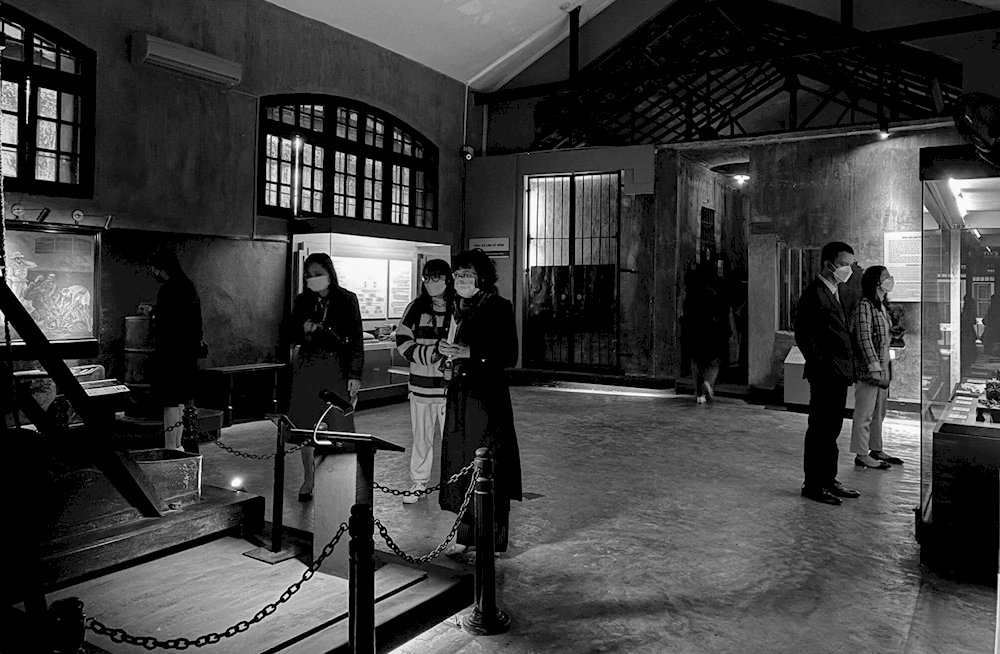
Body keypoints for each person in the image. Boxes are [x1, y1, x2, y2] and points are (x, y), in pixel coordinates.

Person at [438, 249, 522, 555]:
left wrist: (469, 353)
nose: (459, 280)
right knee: (461, 460)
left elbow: (509, 355)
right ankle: (466, 537)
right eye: (457, 274)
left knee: (488, 461)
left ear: (482, 277)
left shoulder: (499, 307)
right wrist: (444, 352)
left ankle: (493, 541)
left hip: (487, 397)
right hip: (460, 393)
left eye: (466, 275)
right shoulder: (456, 307)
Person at [288, 253, 363, 501]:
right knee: (306, 425)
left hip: (337, 368)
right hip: (308, 367)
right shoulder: (302, 301)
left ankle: (341, 477)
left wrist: (355, 374)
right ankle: (309, 478)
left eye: (318, 273)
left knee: (339, 423)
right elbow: (289, 332)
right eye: (308, 275)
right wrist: (305, 329)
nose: (313, 279)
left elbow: (355, 339)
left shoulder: (346, 300)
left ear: (330, 273)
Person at [794, 241, 861, 506]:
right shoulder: (814, 293)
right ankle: (813, 484)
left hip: (838, 372)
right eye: (844, 264)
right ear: (828, 264)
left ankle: (828, 479)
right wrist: (821, 364)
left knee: (832, 428)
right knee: (820, 429)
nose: (848, 270)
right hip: (825, 373)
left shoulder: (835, 291)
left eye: (850, 265)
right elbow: (804, 334)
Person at [395, 259, 454, 504]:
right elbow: (402, 341)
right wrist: (430, 355)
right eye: (427, 278)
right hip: (420, 387)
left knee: (452, 439)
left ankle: (454, 486)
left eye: (436, 278)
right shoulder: (416, 308)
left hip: (449, 388)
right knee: (421, 438)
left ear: (447, 280)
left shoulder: (457, 309)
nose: (431, 283)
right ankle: (419, 482)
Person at [149, 248, 204, 451]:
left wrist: (153, 314)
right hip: (187, 355)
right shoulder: (188, 286)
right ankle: (178, 445)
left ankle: (171, 447)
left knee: (170, 402)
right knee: (179, 402)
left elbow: (164, 324)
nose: (153, 272)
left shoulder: (169, 289)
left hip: (171, 355)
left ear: (161, 268)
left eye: (154, 268)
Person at [850, 266, 903, 469]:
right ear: (875, 282)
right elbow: (864, 337)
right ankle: (861, 454)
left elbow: (881, 335)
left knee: (879, 411)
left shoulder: (881, 305)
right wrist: (873, 367)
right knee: (864, 412)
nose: (890, 279)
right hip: (870, 367)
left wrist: (895, 332)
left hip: (883, 364)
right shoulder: (865, 305)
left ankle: (875, 448)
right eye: (886, 277)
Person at [683, 262, 731, 403]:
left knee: (696, 362)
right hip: (712, 334)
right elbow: (721, 317)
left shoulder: (690, 297)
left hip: (695, 333)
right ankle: (708, 383)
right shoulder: (714, 296)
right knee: (713, 362)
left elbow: (686, 318)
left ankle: (699, 391)